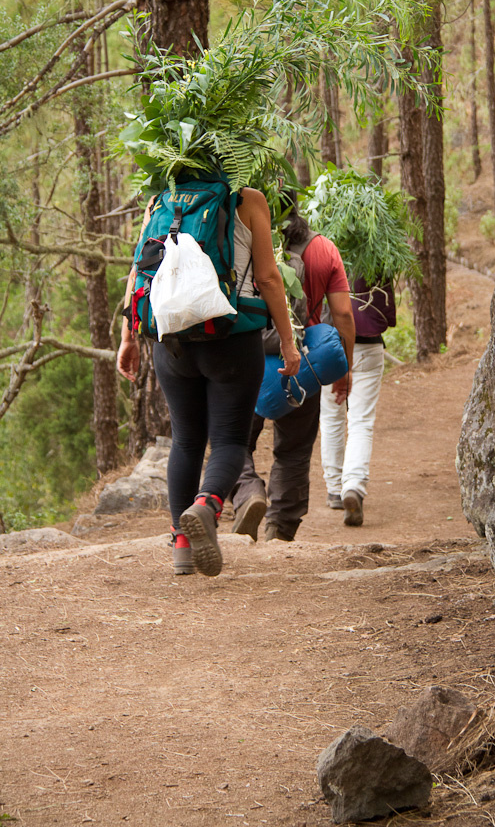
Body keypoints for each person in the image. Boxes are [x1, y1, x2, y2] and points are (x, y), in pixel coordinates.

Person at [116, 186, 300, 577]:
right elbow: (268, 278)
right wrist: (287, 341)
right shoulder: (247, 199)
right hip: (232, 336)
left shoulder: (162, 199)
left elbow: (138, 270)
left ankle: (181, 546)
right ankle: (207, 504)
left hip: (171, 340)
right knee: (230, 440)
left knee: (185, 440)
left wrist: (128, 338)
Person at [232, 196, 355, 542]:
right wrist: (343, 369)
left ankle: (248, 493)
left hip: (245, 358)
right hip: (302, 362)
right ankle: (280, 529)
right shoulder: (323, 249)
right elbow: (343, 314)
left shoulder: (238, 242)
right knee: (294, 450)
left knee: (232, 439)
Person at [319, 277, 396, 526]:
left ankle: (334, 489)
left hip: (328, 345)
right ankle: (353, 485)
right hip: (369, 346)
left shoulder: (323, 257)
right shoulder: (377, 261)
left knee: (331, 417)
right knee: (361, 421)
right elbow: (388, 313)